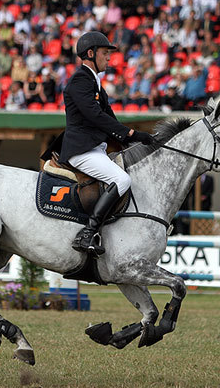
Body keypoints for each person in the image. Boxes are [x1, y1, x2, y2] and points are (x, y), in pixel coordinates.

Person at [55, 31, 155, 254]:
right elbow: (95, 116)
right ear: (90, 54)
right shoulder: (81, 80)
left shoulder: (95, 82)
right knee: (121, 179)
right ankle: (87, 234)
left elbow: (109, 118)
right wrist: (131, 134)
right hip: (82, 151)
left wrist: (133, 139)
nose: (109, 58)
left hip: (96, 149)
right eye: (104, 53)